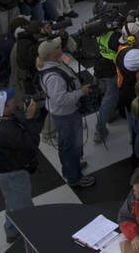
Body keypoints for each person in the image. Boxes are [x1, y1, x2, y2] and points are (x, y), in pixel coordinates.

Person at [0, 88, 40, 244]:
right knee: (26, 209)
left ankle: (11, 231)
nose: (15, 103)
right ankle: (33, 240)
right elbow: (31, 143)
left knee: (12, 202)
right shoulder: (5, 131)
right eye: (11, 103)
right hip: (13, 173)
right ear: (4, 108)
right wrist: (30, 118)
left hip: (0, 170)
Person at [36, 37, 95, 188]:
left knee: (66, 144)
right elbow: (60, 99)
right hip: (66, 114)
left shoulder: (53, 64)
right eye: (57, 46)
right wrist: (80, 92)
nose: (60, 46)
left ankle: (71, 168)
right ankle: (74, 177)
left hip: (64, 113)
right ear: (51, 54)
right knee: (71, 146)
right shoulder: (53, 77)